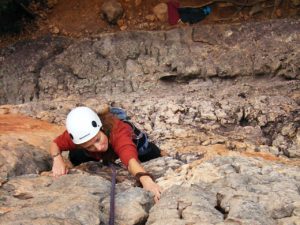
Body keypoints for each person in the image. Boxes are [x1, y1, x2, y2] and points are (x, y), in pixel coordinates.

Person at [50, 106, 162, 202]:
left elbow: (130, 159)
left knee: (150, 153)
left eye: (97, 139)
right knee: (76, 155)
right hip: (96, 150)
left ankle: (160, 152)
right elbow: (55, 144)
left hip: (132, 142)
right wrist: (57, 159)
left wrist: (145, 179)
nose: (99, 147)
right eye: (90, 146)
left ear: (101, 128)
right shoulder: (77, 135)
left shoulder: (118, 131)